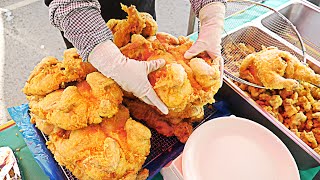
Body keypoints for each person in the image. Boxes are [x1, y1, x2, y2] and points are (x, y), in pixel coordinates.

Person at [45, 0, 226, 115]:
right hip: (88, 31)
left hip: (141, 25)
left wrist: (212, 16)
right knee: (85, 74)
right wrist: (111, 60)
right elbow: (66, 4)